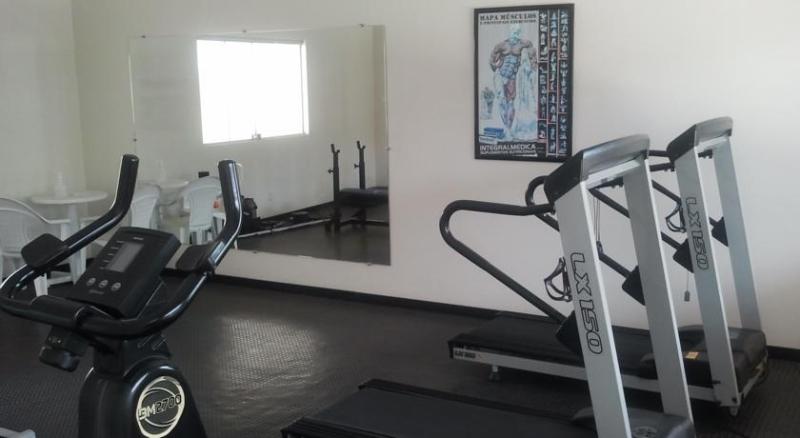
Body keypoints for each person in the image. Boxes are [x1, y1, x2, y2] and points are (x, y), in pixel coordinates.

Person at [489, 24, 537, 139]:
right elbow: (492, 60)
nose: (516, 34)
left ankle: (509, 129)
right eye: (514, 31)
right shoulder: (501, 45)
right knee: (501, 102)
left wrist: (532, 67)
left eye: (518, 31)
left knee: (510, 103)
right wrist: (496, 66)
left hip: (512, 78)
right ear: (510, 32)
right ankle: (506, 126)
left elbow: (533, 56)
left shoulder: (523, 44)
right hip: (500, 76)